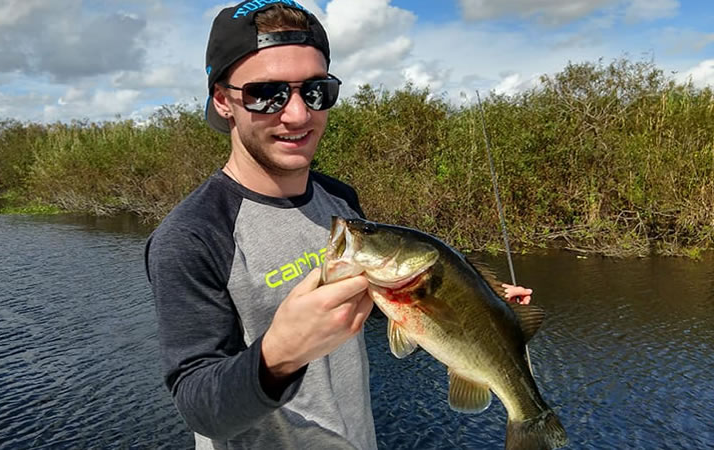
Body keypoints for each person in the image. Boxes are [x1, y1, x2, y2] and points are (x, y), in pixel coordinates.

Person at [145, 2, 532, 449]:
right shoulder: (191, 237)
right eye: (266, 93)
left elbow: (360, 311)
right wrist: (278, 356)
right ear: (222, 100)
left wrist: (469, 304)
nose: (297, 114)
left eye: (315, 91)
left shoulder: (340, 202)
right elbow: (198, 405)